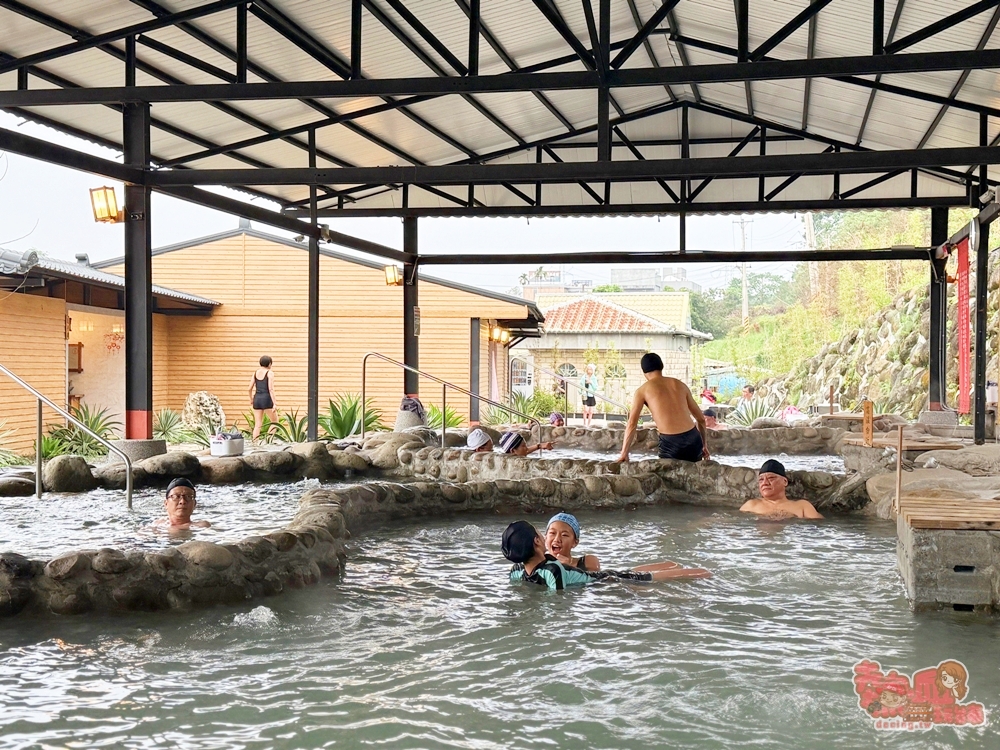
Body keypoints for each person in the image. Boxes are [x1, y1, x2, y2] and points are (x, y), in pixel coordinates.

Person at [502, 521, 711, 590]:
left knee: (650, 578)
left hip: (604, 581)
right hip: (598, 583)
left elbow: (559, 598)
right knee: (634, 575)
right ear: (538, 541)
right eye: (543, 533)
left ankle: (705, 574)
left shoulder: (544, 569)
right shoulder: (522, 571)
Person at [616, 352, 709, 463]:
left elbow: (632, 424)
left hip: (671, 443)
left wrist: (624, 453)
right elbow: (701, 419)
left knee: (667, 478)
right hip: (694, 439)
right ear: (661, 366)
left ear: (644, 372)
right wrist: (704, 445)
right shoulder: (680, 384)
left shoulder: (642, 391)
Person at [739, 459, 823, 519]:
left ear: (785, 481)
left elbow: (820, 526)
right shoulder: (751, 505)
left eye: (771, 478)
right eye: (761, 479)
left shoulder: (802, 506)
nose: (765, 482)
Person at [248, 355, 277, 442]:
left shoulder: (255, 373)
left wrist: (251, 399)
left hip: (257, 399)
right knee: (275, 422)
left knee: (258, 424)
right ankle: (267, 441)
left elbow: (249, 388)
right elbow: (270, 389)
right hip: (267, 399)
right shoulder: (270, 373)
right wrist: (274, 403)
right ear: (269, 364)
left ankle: (255, 443)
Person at [579, 363, 600, 428]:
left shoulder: (594, 378)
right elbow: (580, 385)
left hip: (591, 395)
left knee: (591, 411)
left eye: (590, 369)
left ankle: (589, 424)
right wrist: (581, 392)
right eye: (588, 369)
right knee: (585, 410)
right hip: (585, 394)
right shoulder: (584, 377)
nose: (589, 370)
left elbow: (595, 387)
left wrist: (590, 382)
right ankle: (584, 423)